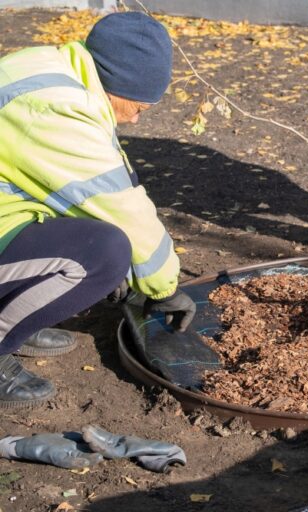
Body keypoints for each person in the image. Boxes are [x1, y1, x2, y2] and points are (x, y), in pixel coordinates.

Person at [0, 12, 196, 408]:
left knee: (92, 234)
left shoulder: (54, 68)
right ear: (117, 82)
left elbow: (102, 180)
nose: (136, 119)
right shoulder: (56, 110)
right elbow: (120, 206)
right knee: (103, 254)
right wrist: (164, 288)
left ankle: (17, 317)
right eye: (138, 107)